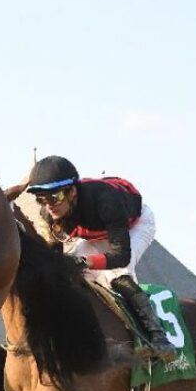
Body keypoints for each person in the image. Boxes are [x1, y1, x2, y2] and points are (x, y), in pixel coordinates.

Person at [13, 155, 176, 362]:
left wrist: (87, 262)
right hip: (96, 234)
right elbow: (56, 261)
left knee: (117, 274)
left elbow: (121, 256)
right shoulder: (50, 214)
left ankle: (159, 337)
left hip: (135, 226)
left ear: (72, 191)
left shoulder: (106, 201)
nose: (49, 206)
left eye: (54, 198)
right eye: (41, 200)